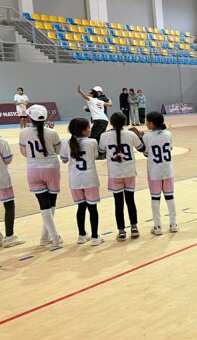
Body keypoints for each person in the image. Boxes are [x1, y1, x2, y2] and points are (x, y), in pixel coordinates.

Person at [19, 104, 63, 249]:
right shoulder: (52, 132)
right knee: (51, 203)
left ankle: (47, 237)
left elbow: (23, 152)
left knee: (43, 204)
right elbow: (58, 151)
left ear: (30, 117)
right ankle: (51, 237)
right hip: (51, 168)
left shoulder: (23, 132)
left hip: (33, 169)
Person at [100, 112, 145, 241]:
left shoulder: (104, 135)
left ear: (111, 123)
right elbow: (142, 149)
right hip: (129, 171)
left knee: (118, 203)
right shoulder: (131, 134)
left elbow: (101, 152)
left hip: (115, 173)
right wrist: (140, 136)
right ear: (125, 122)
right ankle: (134, 227)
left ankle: (121, 231)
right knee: (130, 201)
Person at [60, 118, 103, 246]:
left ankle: (81, 235)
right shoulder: (92, 142)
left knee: (81, 207)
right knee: (92, 208)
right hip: (89, 179)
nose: (90, 130)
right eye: (88, 128)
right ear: (83, 131)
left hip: (75, 180)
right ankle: (95, 237)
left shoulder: (66, 142)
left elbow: (64, 159)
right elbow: (95, 156)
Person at [142, 111, 178, 235]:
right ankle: (173, 224)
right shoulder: (168, 134)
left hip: (154, 172)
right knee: (170, 196)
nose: (146, 124)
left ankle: (157, 226)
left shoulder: (147, 136)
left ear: (151, 123)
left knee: (155, 198)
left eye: (147, 122)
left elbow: (146, 153)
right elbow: (170, 148)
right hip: (167, 170)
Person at [0, 136, 24, 248]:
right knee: (9, 205)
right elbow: (8, 160)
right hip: (2, 178)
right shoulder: (2, 142)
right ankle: (9, 237)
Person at [76, 84, 112, 151]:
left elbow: (84, 96)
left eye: (89, 93)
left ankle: (92, 151)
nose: (88, 94)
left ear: (92, 94)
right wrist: (109, 99)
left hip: (98, 121)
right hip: (105, 120)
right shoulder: (100, 101)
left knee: (92, 137)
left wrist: (80, 92)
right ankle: (101, 152)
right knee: (99, 137)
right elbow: (110, 104)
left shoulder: (91, 99)